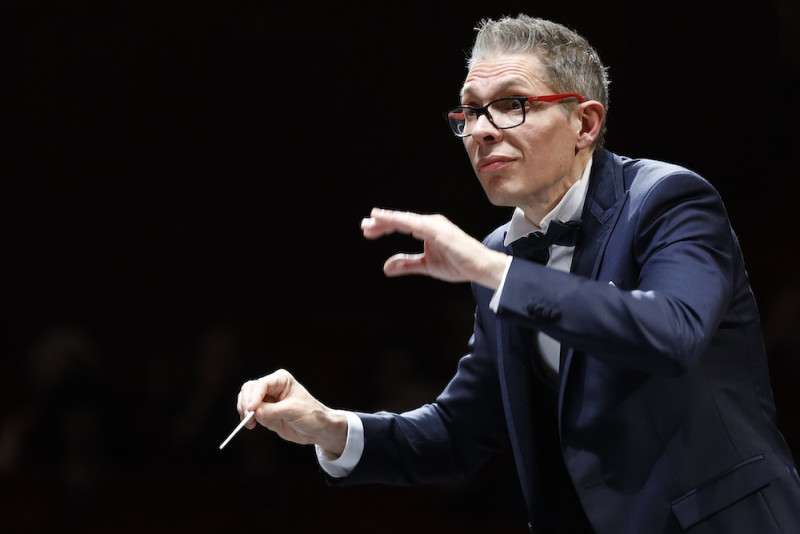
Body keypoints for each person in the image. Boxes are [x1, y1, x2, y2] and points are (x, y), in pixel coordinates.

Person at [235, 15, 800, 533]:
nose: (481, 131)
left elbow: (673, 332)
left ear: (585, 122)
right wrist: (330, 427)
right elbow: (461, 432)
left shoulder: (669, 200)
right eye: (470, 111)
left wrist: (492, 269)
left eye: (512, 105)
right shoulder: (502, 253)